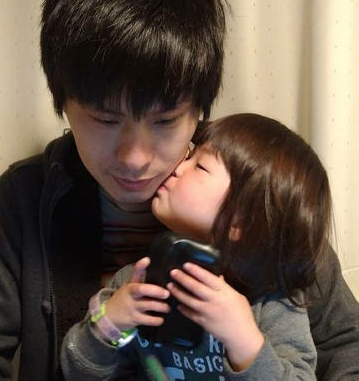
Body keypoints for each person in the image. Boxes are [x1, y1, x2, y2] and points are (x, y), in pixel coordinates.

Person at [0, 0, 357, 380]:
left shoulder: (254, 189)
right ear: (61, 100)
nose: (135, 159)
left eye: (165, 121)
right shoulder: (24, 197)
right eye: (105, 119)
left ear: (199, 109)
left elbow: (347, 344)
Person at [60, 113, 330, 380]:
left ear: (241, 222)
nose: (178, 166)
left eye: (199, 165)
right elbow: (77, 372)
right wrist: (109, 324)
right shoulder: (138, 282)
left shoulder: (274, 302)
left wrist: (245, 342)